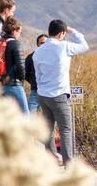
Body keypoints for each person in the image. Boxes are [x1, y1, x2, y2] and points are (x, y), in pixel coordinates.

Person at [33, 19, 89, 166]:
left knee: (48, 129)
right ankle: (69, 164)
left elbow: (37, 76)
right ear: (61, 33)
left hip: (43, 95)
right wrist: (73, 31)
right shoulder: (63, 47)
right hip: (58, 95)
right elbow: (84, 46)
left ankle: (51, 160)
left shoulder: (38, 52)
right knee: (65, 129)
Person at [0, 16, 28, 116]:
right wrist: (21, 79)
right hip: (13, 83)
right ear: (14, 31)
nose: (19, 35)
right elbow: (21, 65)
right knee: (24, 114)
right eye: (20, 32)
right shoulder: (15, 44)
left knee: (3, 115)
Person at [25, 34, 47, 116]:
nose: (43, 45)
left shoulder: (53, 57)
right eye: (41, 43)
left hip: (49, 92)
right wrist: (33, 82)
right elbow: (25, 72)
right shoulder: (31, 57)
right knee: (29, 115)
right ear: (37, 44)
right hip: (35, 91)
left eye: (46, 43)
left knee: (50, 118)